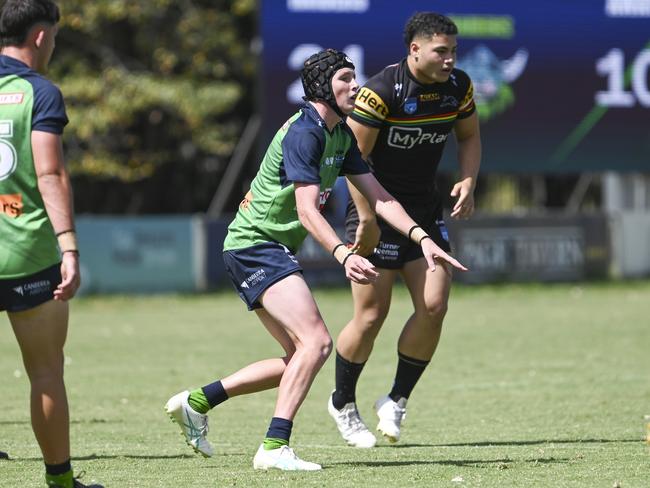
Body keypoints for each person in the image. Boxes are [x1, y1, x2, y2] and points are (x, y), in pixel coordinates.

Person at [165, 48, 466, 471]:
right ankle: (274, 447)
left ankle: (198, 402)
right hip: (254, 246)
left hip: (266, 248)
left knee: (298, 357)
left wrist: (423, 237)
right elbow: (307, 211)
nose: (355, 85)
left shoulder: (340, 135)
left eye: (355, 76)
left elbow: (379, 197)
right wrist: (343, 253)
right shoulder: (305, 132)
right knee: (318, 342)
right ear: (324, 86)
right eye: (345, 78)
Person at [327, 12, 481, 448]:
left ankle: (395, 399)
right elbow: (352, 163)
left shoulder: (458, 87)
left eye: (453, 51)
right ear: (415, 49)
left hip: (424, 212)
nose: (450, 59)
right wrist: (369, 221)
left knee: (434, 305)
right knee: (372, 315)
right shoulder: (380, 92)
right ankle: (342, 402)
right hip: (373, 211)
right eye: (441, 51)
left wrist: (468, 179)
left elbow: (469, 137)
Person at [0, 1, 101, 487]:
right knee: (45, 371)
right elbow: (50, 171)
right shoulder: (37, 92)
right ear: (41, 37)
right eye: (56, 38)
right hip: (26, 253)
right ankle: (59, 480)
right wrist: (70, 248)